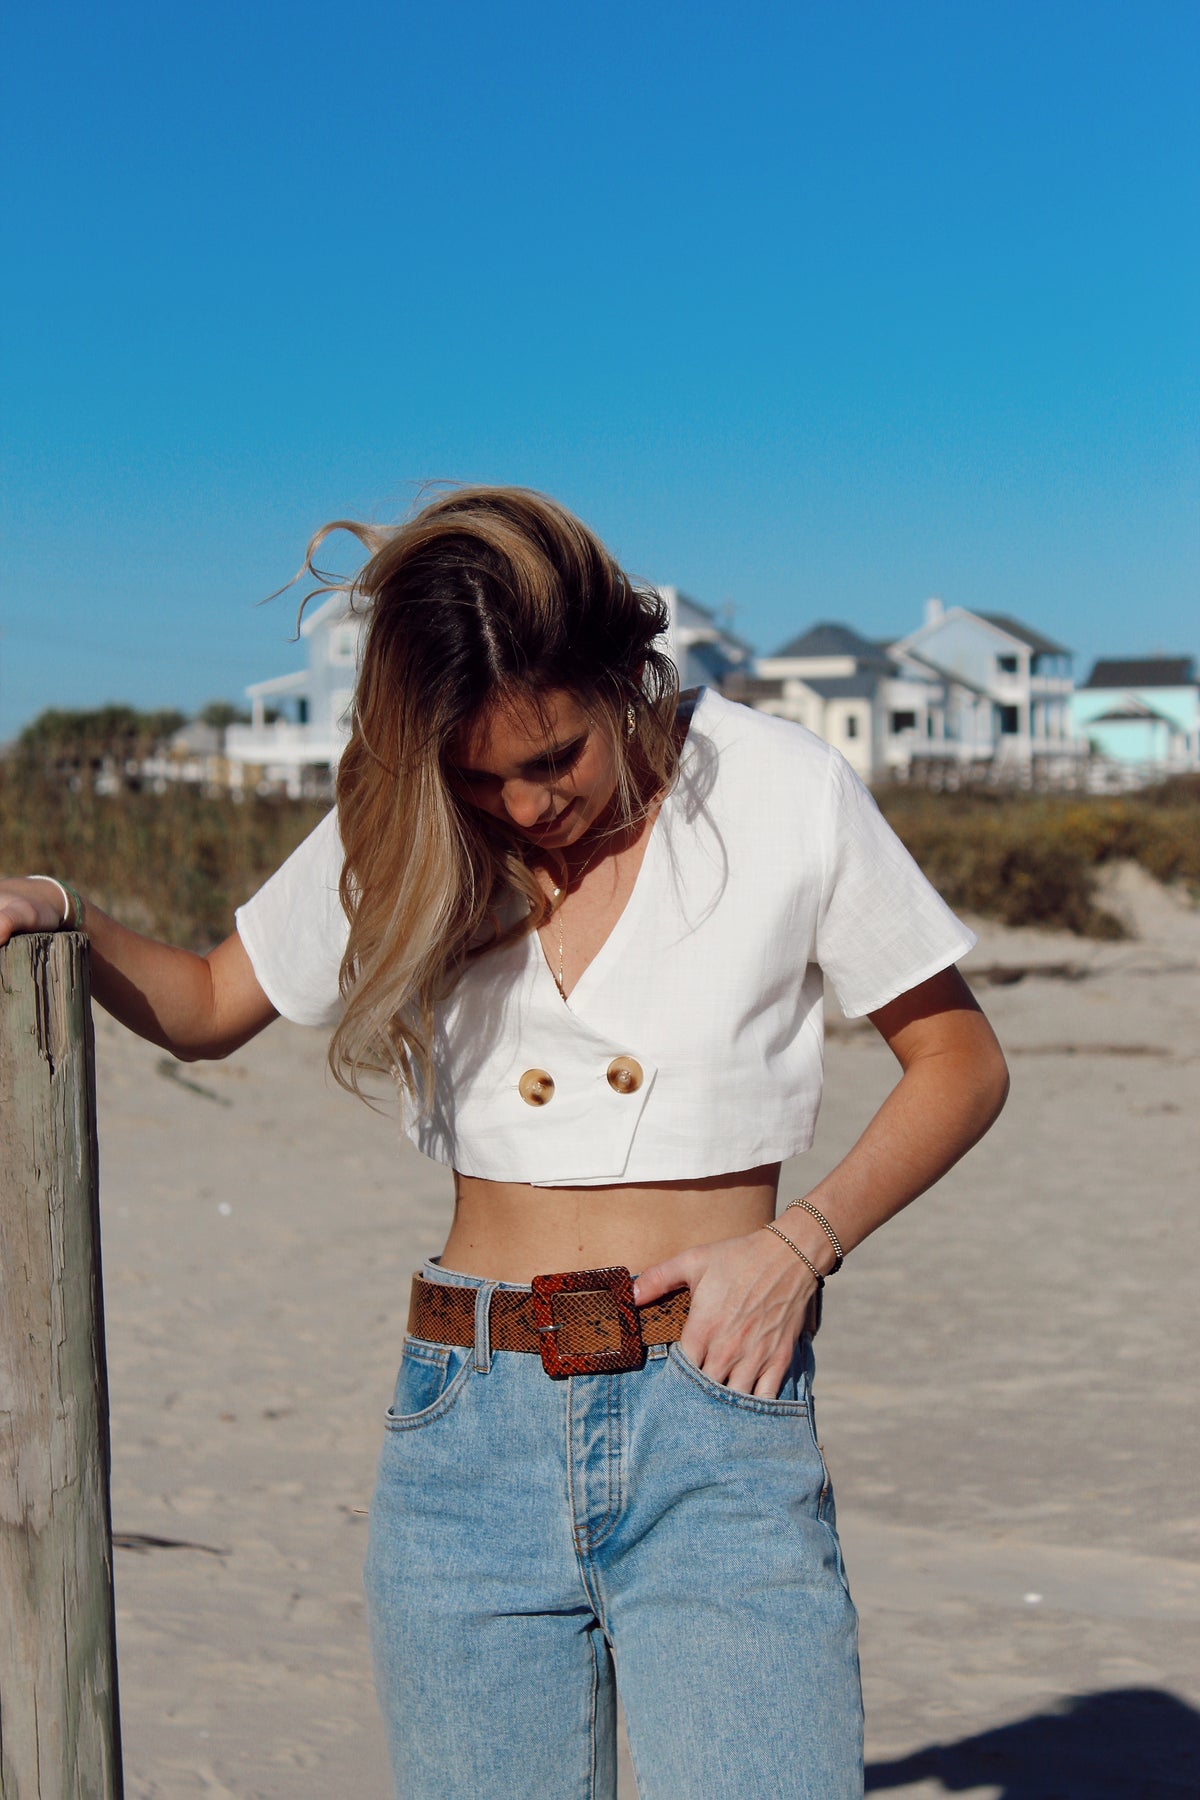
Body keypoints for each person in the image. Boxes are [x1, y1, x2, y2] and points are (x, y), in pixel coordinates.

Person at [0, 485, 1008, 1799]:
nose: (525, 808)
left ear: (620, 675)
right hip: (464, 1425)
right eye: (483, 778)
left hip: (713, 1418)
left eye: (556, 760)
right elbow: (204, 1005)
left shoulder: (777, 788)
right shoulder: (408, 814)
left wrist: (800, 1244)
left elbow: (962, 1062)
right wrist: (58, 912)